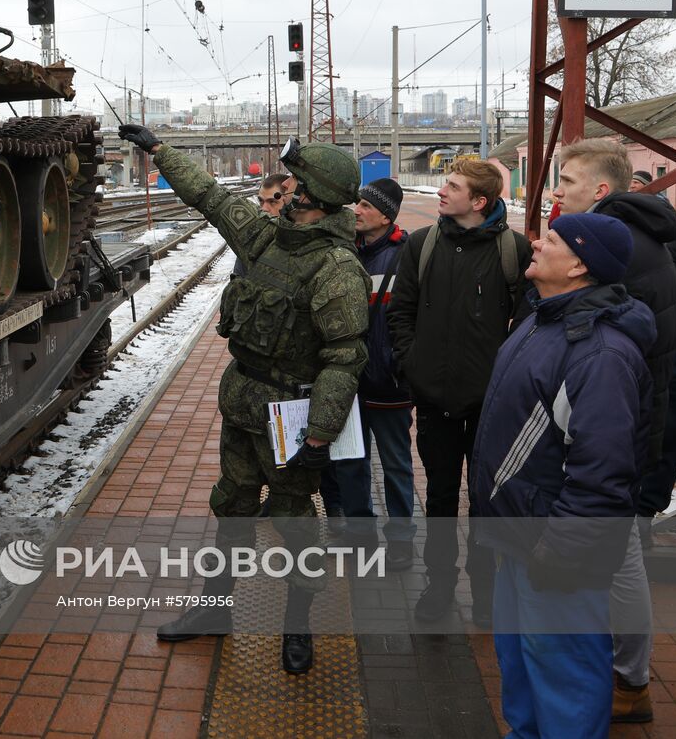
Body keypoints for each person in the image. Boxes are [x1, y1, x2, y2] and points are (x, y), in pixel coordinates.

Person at [119, 125, 369, 675]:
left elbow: (344, 358)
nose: (288, 194)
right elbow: (209, 197)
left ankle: (297, 626)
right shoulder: (267, 238)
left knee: (294, 519)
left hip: (291, 419)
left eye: (297, 186)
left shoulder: (336, 269)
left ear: (315, 198)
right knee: (231, 506)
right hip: (243, 405)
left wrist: (321, 435)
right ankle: (214, 611)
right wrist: (159, 149)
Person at [473, 213, 654, 739]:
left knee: (565, 678)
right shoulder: (543, 319)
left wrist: (562, 554)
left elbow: (602, 475)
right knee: (524, 667)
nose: (535, 241)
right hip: (521, 537)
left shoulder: (600, 354)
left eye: (550, 239)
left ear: (578, 264)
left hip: (555, 551)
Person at [550, 137, 676, 723]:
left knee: (620, 551)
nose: (555, 190)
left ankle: (628, 681)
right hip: (630, 418)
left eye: (567, 180)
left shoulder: (617, 245)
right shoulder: (635, 236)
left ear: (600, 191)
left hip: (622, 425)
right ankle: (623, 672)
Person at [388, 158, 532, 626]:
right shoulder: (421, 245)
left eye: (453, 185)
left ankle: (486, 590)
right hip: (435, 399)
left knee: (488, 500)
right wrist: (414, 363)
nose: (442, 190)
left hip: (493, 404)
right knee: (442, 497)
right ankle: (441, 582)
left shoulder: (514, 250)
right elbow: (400, 312)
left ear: (479, 201)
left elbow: (530, 323)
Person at [325, 178, 416, 572]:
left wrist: (400, 362)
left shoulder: (405, 255)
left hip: (390, 383)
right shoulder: (345, 252)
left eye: (364, 205)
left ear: (385, 215)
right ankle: (361, 532)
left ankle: (400, 540)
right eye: (356, 203)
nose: (356, 210)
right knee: (349, 459)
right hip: (348, 383)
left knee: (395, 463)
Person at [232, 173, 294, 278]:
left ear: (289, 202)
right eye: (261, 201)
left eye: (272, 202)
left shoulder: (300, 242)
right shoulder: (254, 242)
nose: (264, 209)